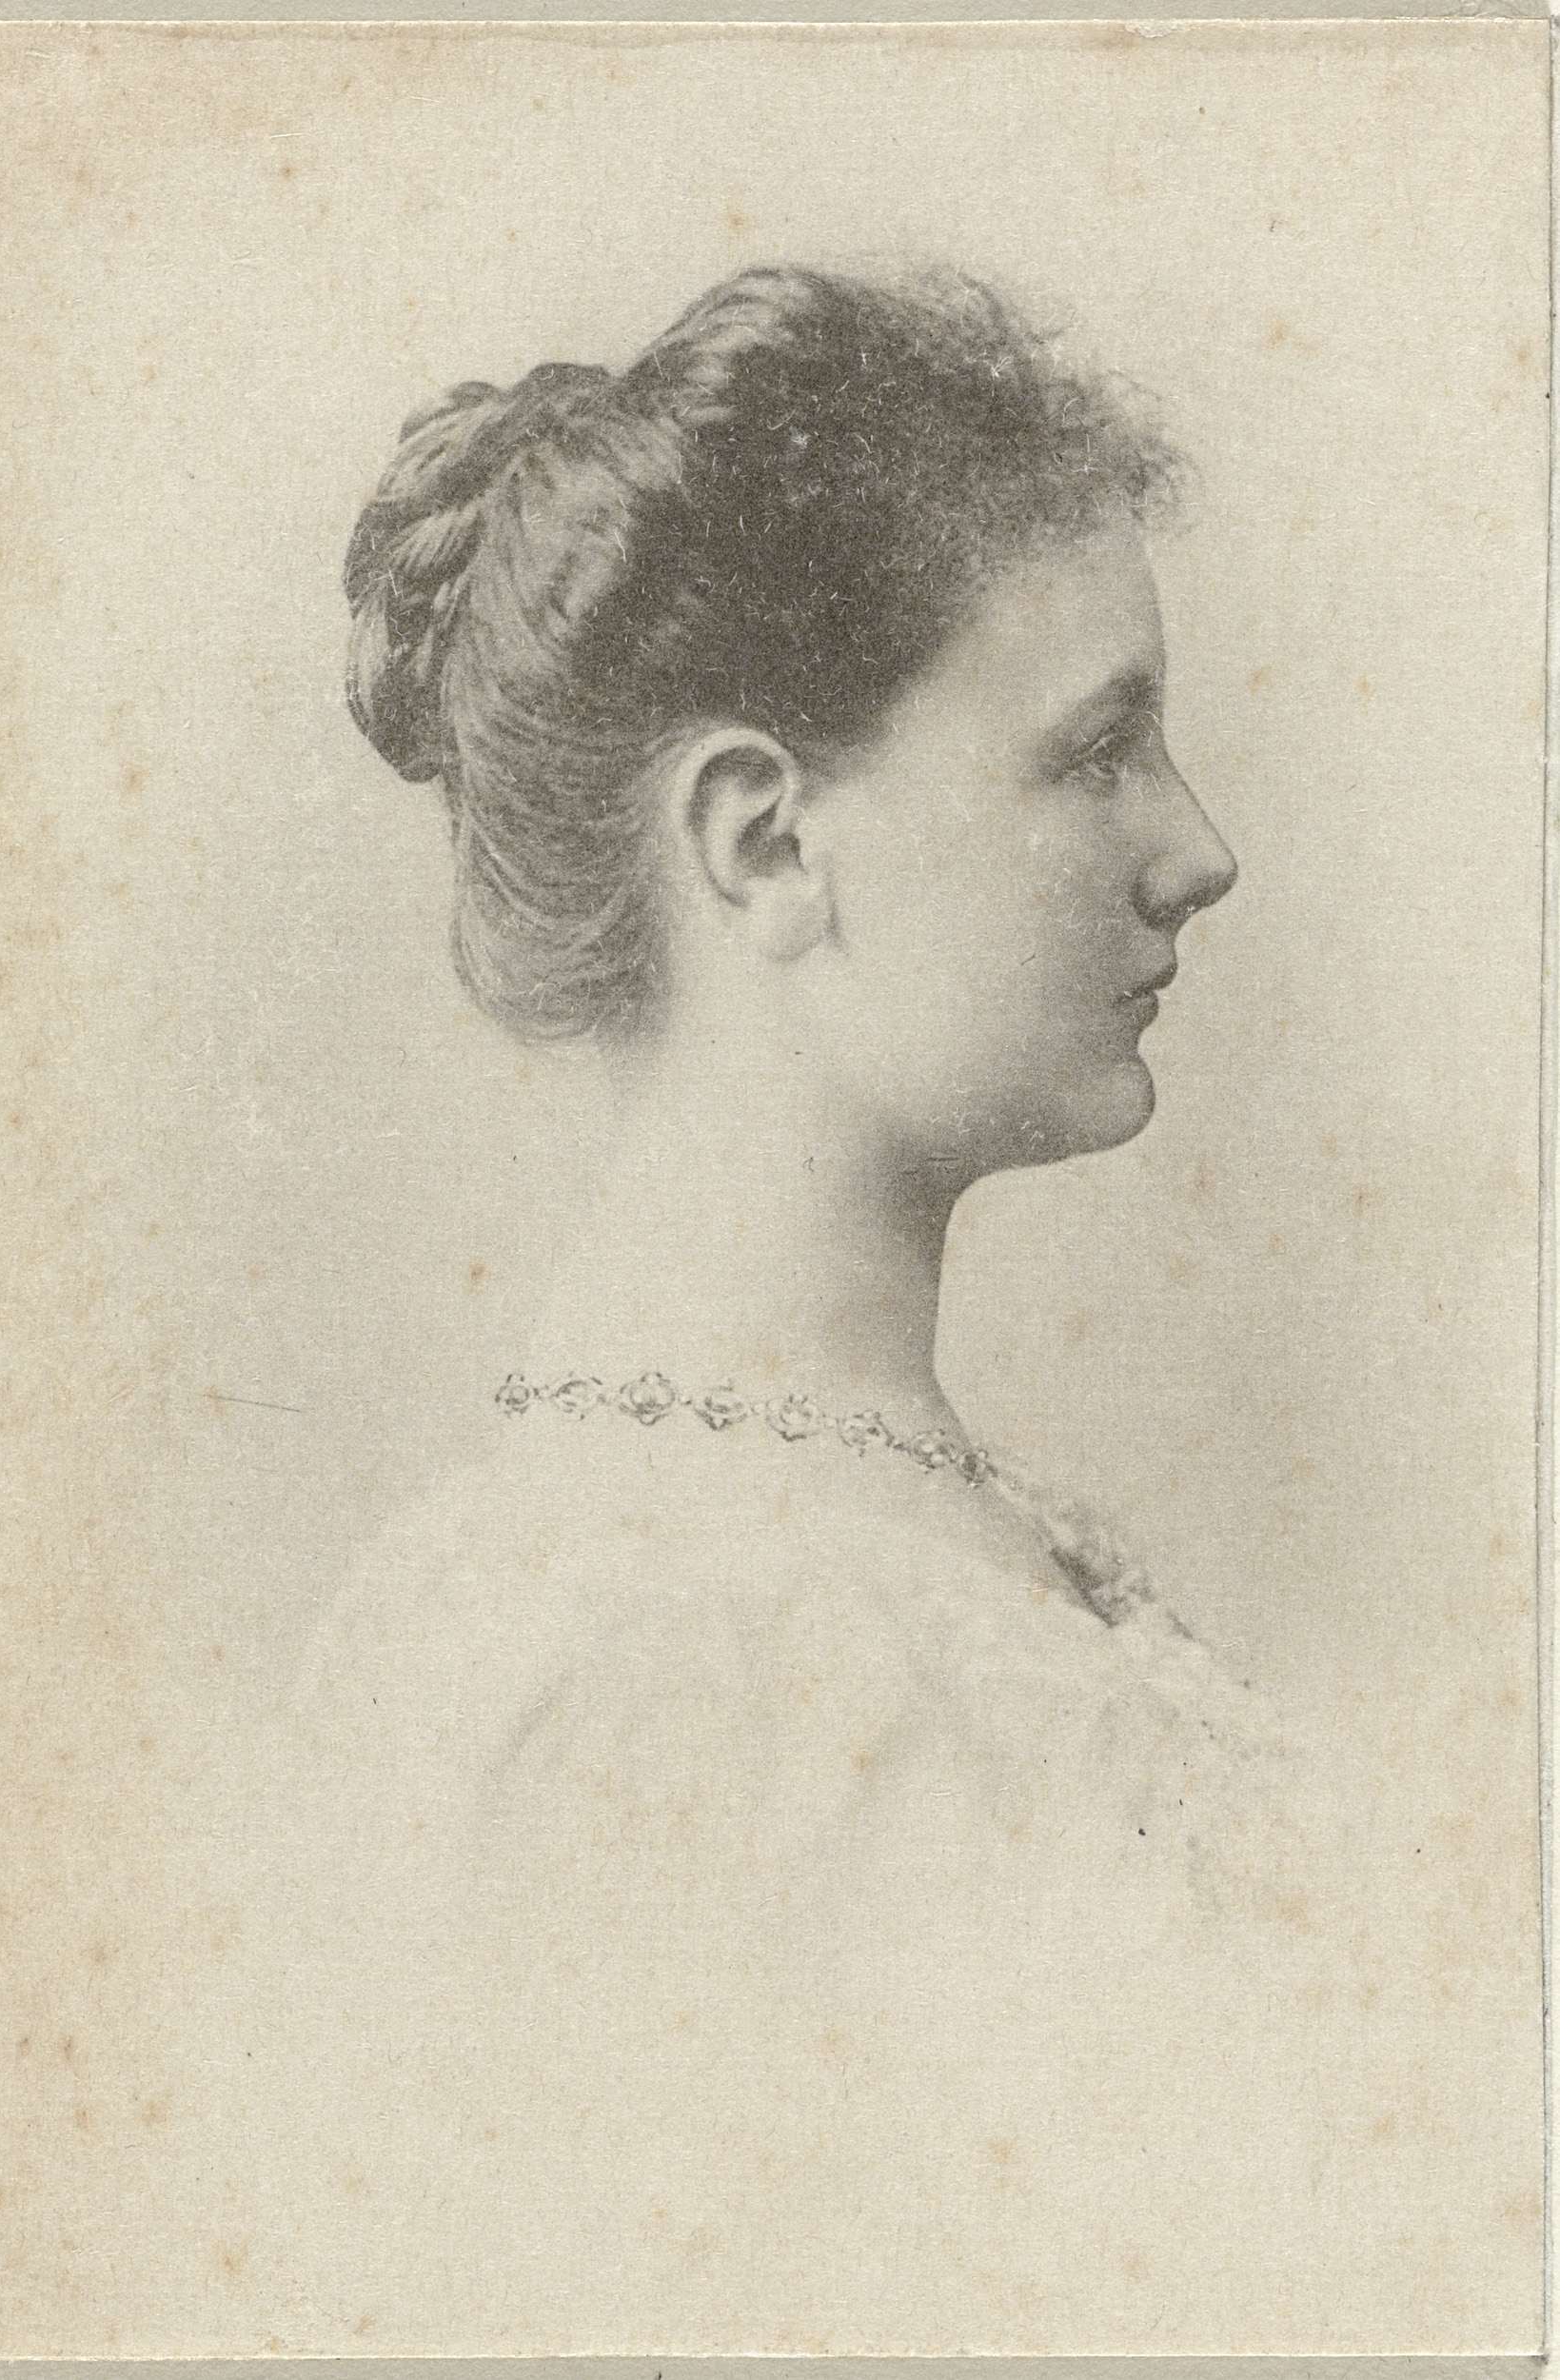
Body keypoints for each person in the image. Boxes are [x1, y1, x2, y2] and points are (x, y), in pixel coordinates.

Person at [191, 264, 1441, 2351]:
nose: (1198, 848)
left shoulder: (924, 1547)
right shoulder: (636, 1662)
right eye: (1097, 749)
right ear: (765, 841)